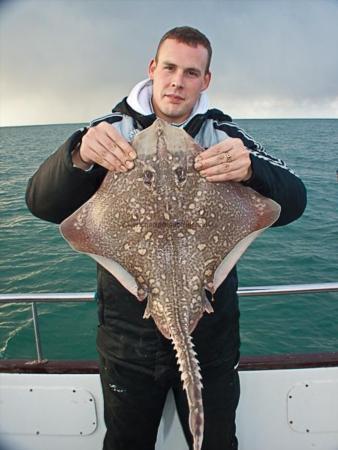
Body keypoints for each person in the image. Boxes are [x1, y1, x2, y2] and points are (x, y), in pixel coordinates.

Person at [26, 26, 306, 450]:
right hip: (127, 339)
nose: (177, 81)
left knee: (215, 442)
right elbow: (41, 203)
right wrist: (78, 153)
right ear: (153, 69)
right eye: (170, 68)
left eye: (191, 72)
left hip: (210, 335)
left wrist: (251, 169)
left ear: (205, 80)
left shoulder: (224, 137)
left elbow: (294, 200)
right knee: (126, 442)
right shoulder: (108, 132)